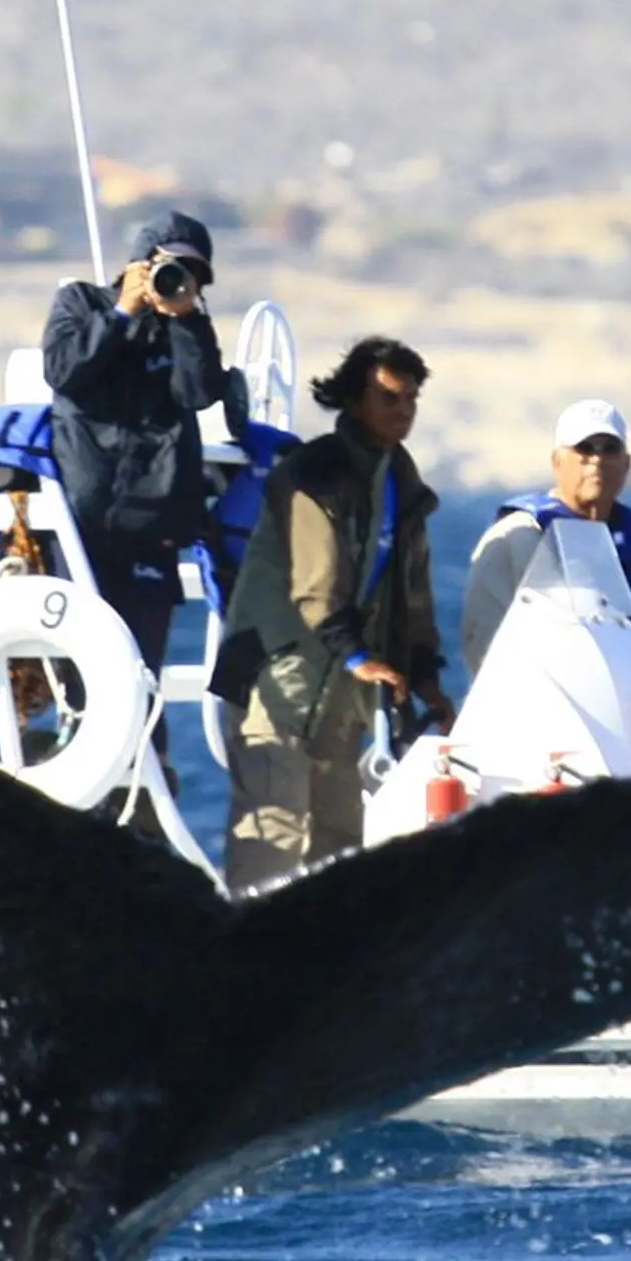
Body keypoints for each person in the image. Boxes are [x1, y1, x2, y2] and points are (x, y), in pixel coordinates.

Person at [222, 336, 441, 892]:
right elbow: (316, 585)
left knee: (339, 840)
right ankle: (250, 951)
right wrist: (359, 656)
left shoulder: (402, 483)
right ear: (353, 399)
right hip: (281, 671)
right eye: (390, 397)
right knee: (274, 831)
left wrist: (426, 678)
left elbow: (411, 594)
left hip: (344, 688)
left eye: (412, 399)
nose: (404, 411)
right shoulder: (313, 472)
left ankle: (327, 959)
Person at [39, 211, 229, 674]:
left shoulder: (186, 330)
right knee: (75, 668)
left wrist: (187, 323)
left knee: (141, 666)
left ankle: (150, 746)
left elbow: (199, 392)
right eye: (168, 267)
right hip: (84, 519)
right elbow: (64, 372)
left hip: (153, 522)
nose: (179, 280)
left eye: (193, 275)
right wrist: (122, 312)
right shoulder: (81, 303)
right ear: (137, 265)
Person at [459, 399, 631, 680]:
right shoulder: (518, 536)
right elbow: (482, 637)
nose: (597, 460)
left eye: (609, 449)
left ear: (626, 463)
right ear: (557, 460)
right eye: (584, 449)